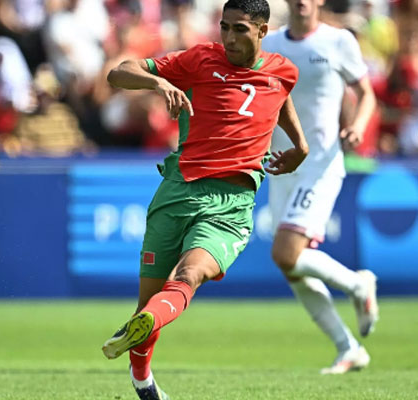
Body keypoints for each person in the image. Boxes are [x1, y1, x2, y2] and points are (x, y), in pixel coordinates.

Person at [101, 1, 309, 399]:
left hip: (231, 202)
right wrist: (157, 82)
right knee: (149, 307)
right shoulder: (199, 59)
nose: (229, 38)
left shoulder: (284, 70)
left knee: (188, 275)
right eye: (224, 27)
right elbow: (117, 72)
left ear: (263, 32)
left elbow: (279, 95)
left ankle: (143, 332)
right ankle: (142, 376)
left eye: (240, 30)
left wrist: (299, 144)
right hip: (178, 190)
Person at [262, 0, 379, 375]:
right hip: (281, 165)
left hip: (320, 165)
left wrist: (358, 125)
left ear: (319, 2)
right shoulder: (271, 43)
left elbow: (366, 93)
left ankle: (358, 285)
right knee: (292, 267)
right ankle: (348, 347)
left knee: (285, 252)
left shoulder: (338, 41)